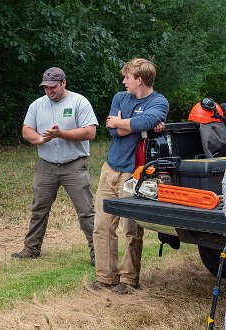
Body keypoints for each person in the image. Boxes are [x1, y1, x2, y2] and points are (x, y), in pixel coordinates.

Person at [91, 58, 169, 294]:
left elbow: (143, 120)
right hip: (110, 168)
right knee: (102, 226)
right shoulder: (120, 97)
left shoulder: (159, 101)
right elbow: (112, 128)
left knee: (131, 230)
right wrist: (135, 127)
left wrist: (128, 123)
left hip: (134, 173)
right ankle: (105, 278)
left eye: (127, 77)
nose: (123, 81)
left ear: (140, 80)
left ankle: (128, 280)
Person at [11, 67, 99, 265]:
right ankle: (31, 248)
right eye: (46, 87)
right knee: (39, 208)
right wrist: (40, 138)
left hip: (74, 165)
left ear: (63, 83)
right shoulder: (37, 105)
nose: (49, 91)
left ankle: (97, 253)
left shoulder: (79, 102)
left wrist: (61, 134)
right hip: (46, 165)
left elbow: (90, 132)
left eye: (53, 87)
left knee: (85, 210)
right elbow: (26, 130)